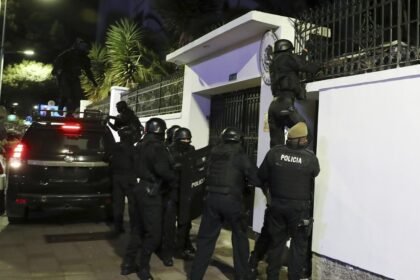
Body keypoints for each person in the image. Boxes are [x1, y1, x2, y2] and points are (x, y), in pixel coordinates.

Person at [190, 127, 263, 280]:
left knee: (205, 240)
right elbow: (256, 179)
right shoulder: (240, 155)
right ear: (239, 139)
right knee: (240, 238)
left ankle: (195, 276)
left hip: (211, 199)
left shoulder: (213, 153)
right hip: (232, 201)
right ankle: (242, 276)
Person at [257, 122, 320, 280]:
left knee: (276, 245)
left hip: (277, 207)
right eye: (305, 138)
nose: (306, 140)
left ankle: (272, 276)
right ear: (300, 140)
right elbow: (315, 172)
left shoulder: (274, 153)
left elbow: (261, 176)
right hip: (299, 210)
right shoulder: (310, 158)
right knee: (298, 248)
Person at [132, 117, 178, 280]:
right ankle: (143, 268)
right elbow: (163, 171)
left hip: (139, 188)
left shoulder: (140, 144)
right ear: (160, 132)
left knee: (138, 229)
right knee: (154, 234)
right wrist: (174, 176)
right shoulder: (157, 147)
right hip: (151, 191)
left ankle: (129, 264)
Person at [268, 39, 320, 147]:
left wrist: (305, 51)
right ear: (288, 49)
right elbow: (303, 65)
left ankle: (278, 160)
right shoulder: (287, 57)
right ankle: (293, 160)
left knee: (276, 144)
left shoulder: (274, 63)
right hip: (285, 104)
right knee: (305, 134)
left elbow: (295, 64)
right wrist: (319, 67)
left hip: (273, 106)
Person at [168, 127, 196, 260]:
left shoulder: (191, 150)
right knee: (169, 222)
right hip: (172, 190)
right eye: (183, 139)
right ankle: (168, 248)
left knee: (185, 222)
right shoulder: (169, 150)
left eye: (188, 139)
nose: (186, 141)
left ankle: (182, 246)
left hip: (185, 190)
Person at [52, 38, 97, 115]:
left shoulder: (84, 58)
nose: (84, 47)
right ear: (78, 46)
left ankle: (70, 112)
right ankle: (61, 107)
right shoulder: (69, 53)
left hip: (75, 76)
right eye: (82, 45)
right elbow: (59, 60)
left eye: (85, 46)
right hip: (65, 75)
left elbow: (88, 70)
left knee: (76, 94)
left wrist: (93, 81)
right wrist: (56, 71)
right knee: (67, 93)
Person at [109, 126, 137, 235]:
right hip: (129, 179)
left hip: (117, 179)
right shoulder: (133, 149)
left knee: (118, 205)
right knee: (132, 205)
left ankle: (118, 227)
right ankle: (134, 228)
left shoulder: (115, 147)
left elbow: (107, 158)